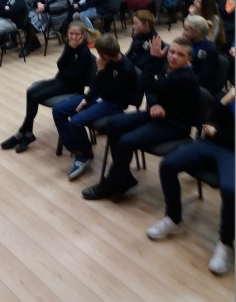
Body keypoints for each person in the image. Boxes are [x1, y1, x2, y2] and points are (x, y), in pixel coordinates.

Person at [82, 35, 200, 201]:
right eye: (172, 52)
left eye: (180, 54)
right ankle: (124, 177)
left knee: (126, 141)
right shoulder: (170, 68)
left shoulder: (184, 77)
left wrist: (154, 59)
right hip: (158, 114)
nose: (173, 56)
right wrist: (155, 104)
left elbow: (147, 84)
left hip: (174, 125)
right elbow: (151, 91)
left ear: (189, 59)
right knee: (113, 124)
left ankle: (109, 183)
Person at [147, 87, 234, 276]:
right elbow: (209, 118)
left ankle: (226, 244)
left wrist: (217, 133)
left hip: (231, 153)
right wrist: (227, 99)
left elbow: (216, 130)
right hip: (208, 144)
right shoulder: (228, 95)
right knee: (168, 165)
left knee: (230, 190)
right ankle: (174, 219)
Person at [0, 21, 96, 153]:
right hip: (61, 81)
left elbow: (74, 76)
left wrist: (65, 69)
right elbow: (60, 65)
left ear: (83, 35)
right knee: (31, 91)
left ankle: (23, 132)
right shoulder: (70, 46)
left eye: (76, 34)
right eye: (71, 34)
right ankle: (27, 132)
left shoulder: (84, 52)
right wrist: (69, 51)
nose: (73, 37)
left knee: (35, 96)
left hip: (73, 88)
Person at [52, 34, 137, 180]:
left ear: (105, 55)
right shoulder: (107, 61)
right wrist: (86, 99)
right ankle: (76, 149)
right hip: (98, 98)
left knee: (76, 121)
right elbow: (96, 85)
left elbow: (113, 94)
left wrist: (101, 71)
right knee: (58, 110)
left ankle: (84, 154)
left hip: (112, 104)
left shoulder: (126, 69)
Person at [182, 15, 221, 94]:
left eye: (186, 30)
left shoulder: (209, 49)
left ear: (197, 32)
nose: (183, 32)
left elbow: (204, 76)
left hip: (198, 84)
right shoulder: (190, 42)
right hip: (187, 75)